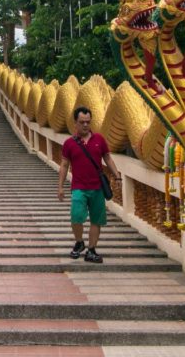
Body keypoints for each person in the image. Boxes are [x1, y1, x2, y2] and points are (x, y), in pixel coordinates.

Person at [57, 107, 122, 264]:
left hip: (97, 187)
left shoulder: (99, 139)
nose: (85, 125)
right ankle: (79, 242)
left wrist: (117, 176)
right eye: (82, 122)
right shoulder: (69, 143)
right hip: (79, 187)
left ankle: (91, 251)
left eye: (88, 122)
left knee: (96, 220)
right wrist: (60, 187)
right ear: (75, 123)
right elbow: (64, 165)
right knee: (76, 217)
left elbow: (108, 158)